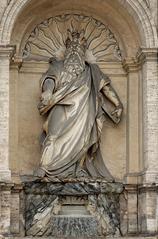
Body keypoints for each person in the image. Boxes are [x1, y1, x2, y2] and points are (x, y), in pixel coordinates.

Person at [35, 30, 123, 181]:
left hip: (84, 111)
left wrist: (117, 104)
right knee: (52, 136)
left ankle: (78, 169)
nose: (74, 53)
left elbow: (106, 88)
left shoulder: (92, 70)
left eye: (78, 50)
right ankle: (45, 167)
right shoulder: (58, 66)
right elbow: (50, 79)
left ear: (82, 53)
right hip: (61, 105)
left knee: (82, 141)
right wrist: (48, 91)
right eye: (71, 50)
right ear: (67, 52)